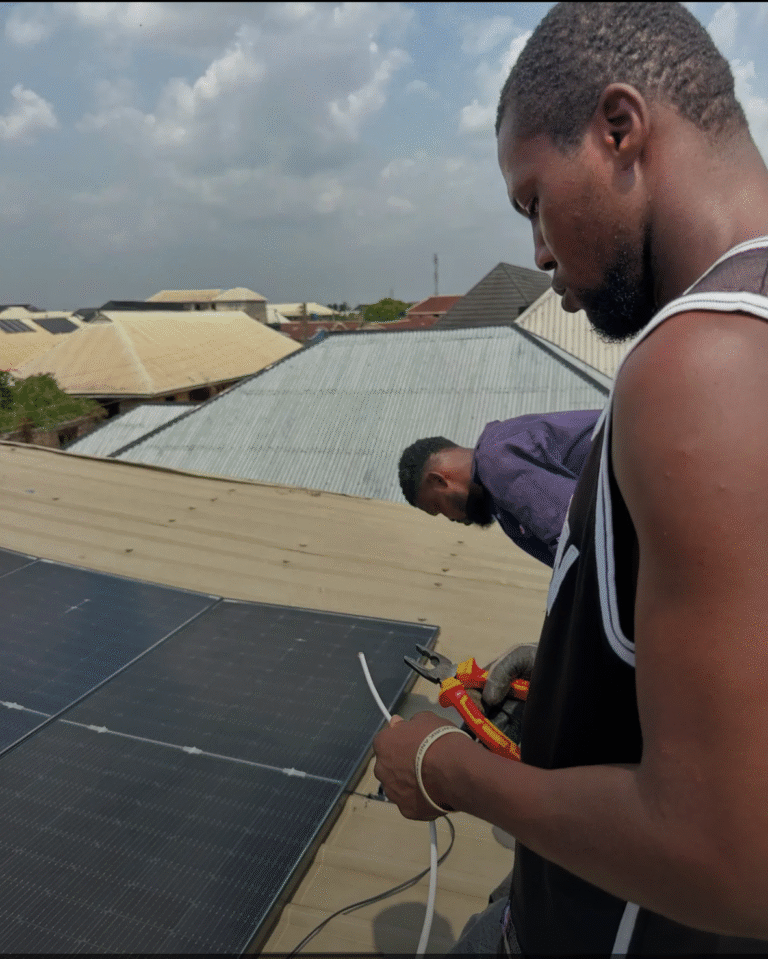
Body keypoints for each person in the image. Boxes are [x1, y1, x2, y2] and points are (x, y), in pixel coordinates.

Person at [373, 2, 768, 954]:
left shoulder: (698, 366)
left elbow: (733, 857)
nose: (540, 252)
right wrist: (578, 666)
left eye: (533, 201)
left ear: (619, 129)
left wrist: (441, 765)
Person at [398, 410, 600, 568]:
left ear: (439, 481)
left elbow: (579, 536)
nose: (451, 518)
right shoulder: (502, 506)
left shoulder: (494, 460)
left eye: (437, 507)